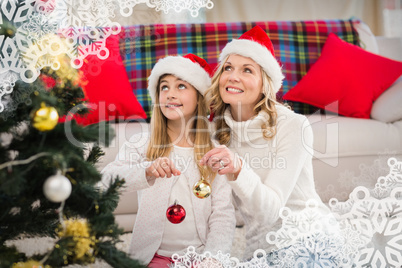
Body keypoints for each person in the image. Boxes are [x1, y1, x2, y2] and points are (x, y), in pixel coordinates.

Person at [200, 26, 332, 260]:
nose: (233, 76)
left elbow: (271, 211)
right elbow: (218, 211)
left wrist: (238, 168)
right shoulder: (216, 134)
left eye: (247, 70)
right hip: (260, 249)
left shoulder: (293, 125)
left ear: (265, 84)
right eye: (228, 67)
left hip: (308, 239)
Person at [101, 53, 236, 267]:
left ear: (199, 97)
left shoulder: (215, 152)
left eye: (181, 86)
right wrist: (146, 171)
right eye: (164, 87)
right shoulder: (142, 143)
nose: (170, 94)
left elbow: (223, 214)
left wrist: (213, 257)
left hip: (200, 255)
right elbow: (105, 182)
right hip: (155, 256)